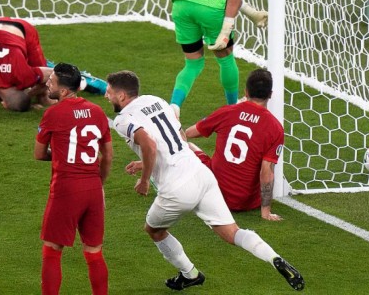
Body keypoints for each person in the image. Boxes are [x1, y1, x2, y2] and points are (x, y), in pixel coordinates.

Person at [105, 70, 304, 292]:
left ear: (122, 96)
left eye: (109, 92)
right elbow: (178, 137)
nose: (106, 96)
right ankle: (274, 257)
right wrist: (146, 163)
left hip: (177, 188)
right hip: (202, 175)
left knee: (154, 230)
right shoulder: (156, 100)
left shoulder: (123, 120)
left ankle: (190, 274)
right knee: (233, 232)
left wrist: (143, 180)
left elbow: (150, 145)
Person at [34, 63, 113, 295]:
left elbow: (39, 154)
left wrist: (62, 153)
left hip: (67, 189)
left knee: (52, 249)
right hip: (93, 188)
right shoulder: (98, 112)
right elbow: (108, 155)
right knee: (94, 251)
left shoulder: (53, 113)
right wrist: (100, 184)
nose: (48, 82)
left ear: (65, 91)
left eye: (53, 82)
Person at [185, 68, 284, 219]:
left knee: (184, 145)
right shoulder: (275, 128)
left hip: (214, 195)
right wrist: (266, 212)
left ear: (246, 92)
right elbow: (267, 172)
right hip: (248, 202)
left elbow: (189, 133)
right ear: (270, 94)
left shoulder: (227, 112)